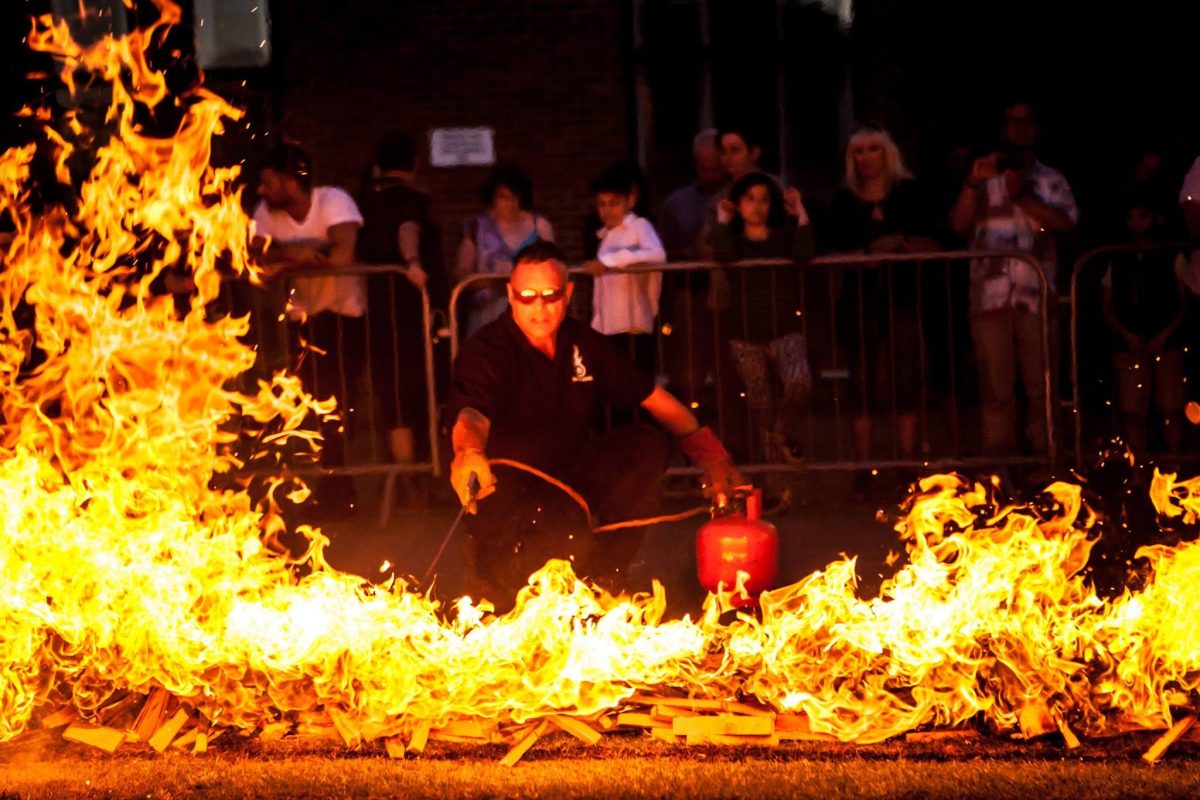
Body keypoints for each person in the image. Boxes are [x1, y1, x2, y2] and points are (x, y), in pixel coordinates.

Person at [446, 241, 744, 603]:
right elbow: (471, 415)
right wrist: (469, 451)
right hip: (512, 488)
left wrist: (710, 455)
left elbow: (654, 399)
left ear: (567, 293)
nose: (538, 306)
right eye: (526, 295)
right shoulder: (488, 351)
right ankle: (500, 580)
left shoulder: (583, 343)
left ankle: (606, 578)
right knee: (548, 553)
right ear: (510, 295)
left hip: (573, 470)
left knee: (646, 444)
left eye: (549, 295)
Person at [950, 101, 1078, 456]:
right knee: (996, 390)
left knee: (1042, 387)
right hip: (989, 300)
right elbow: (959, 225)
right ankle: (1001, 467)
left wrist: (1020, 195)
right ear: (1002, 129)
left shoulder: (1051, 180)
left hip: (1036, 297)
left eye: (1026, 122)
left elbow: (1066, 225)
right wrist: (971, 184)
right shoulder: (981, 177)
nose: (1018, 129)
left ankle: (1047, 461)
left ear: (1035, 129)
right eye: (1011, 122)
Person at [824, 125, 939, 497]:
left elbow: (936, 240)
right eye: (859, 151)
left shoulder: (910, 193)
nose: (866, 158)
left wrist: (902, 246)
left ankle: (906, 462)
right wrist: (865, 257)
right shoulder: (843, 200)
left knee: (906, 376)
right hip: (859, 299)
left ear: (886, 153)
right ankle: (863, 465)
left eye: (873, 149)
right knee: (862, 381)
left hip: (903, 296)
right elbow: (830, 250)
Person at [251, 141, 365, 514]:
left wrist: (283, 263)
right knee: (310, 405)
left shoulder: (333, 201)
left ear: (290, 180)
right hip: (301, 318)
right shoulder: (267, 213)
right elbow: (251, 253)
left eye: (268, 182)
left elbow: (341, 256)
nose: (261, 190)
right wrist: (294, 256)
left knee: (338, 402)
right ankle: (330, 487)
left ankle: (341, 489)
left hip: (342, 314)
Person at [711, 171, 814, 470]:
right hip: (744, 333)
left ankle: (781, 434)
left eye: (764, 200)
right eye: (750, 199)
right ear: (738, 204)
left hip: (783, 327)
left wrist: (801, 214)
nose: (757, 206)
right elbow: (724, 254)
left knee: (799, 382)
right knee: (761, 402)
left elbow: (805, 252)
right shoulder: (733, 240)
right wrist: (721, 219)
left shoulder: (782, 238)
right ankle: (772, 479)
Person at [357, 131, 444, 468]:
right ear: (415, 164)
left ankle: (403, 472)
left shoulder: (364, 200)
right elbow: (408, 230)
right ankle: (422, 470)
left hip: (376, 306)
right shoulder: (412, 201)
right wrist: (413, 264)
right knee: (418, 387)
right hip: (411, 307)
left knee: (390, 392)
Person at [1100, 192, 1188, 454]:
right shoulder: (1115, 258)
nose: (1136, 223)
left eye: (1143, 216)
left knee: (1170, 408)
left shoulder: (1172, 255)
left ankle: (1173, 466)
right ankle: (1137, 470)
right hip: (1129, 342)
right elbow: (1106, 303)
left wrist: (1165, 334)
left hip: (1166, 342)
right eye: (1131, 218)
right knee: (1132, 411)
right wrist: (1125, 333)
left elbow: (1184, 302)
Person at [659, 130, 726, 407]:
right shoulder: (677, 204)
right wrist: (691, 254)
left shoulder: (737, 196)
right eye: (703, 165)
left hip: (727, 296)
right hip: (689, 294)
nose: (709, 171)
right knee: (689, 371)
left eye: (714, 165)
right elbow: (663, 251)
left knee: (729, 369)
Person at [584, 163, 667, 376]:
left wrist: (610, 262)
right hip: (609, 327)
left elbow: (657, 255)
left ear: (630, 200)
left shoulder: (639, 226)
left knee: (635, 382)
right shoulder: (606, 236)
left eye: (613, 203)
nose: (606, 210)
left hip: (633, 324)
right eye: (601, 204)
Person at [454, 164, 555, 337]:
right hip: (488, 312)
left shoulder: (539, 226)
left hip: (531, 310)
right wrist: (489, 279)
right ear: (493, 198)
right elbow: (461, 272)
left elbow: (554, 267)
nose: (509, 204)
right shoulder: (477, 228)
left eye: (514, 197)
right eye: (503, 197)